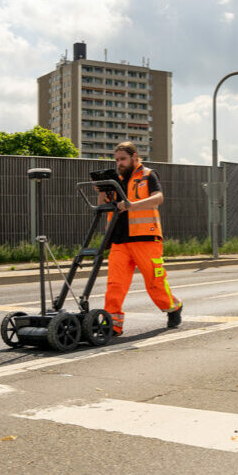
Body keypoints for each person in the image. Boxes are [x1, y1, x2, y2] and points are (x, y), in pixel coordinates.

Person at [98, 141, 182, 336]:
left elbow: (159, 198)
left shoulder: (148, 175)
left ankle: (173, 307)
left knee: (154, 283)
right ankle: (113, 325)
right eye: (117, 159)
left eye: (123, 159)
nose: (119, 163)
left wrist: (132, 205)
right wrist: (102, 191)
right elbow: (103, 206)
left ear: (134, 157)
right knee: (114, 285)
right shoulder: (114, 179)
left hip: (146, 238)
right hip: (119, 240)